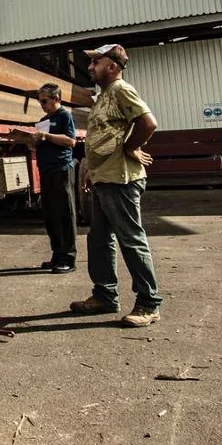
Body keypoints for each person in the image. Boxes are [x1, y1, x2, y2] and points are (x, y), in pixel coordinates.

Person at [69, 44, 163, 327]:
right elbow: (104, 136)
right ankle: (105, 296)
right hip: (103, 178)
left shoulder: (122, 90)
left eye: (95, 62)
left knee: (131, 240)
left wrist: (131, 147)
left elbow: (148, 123)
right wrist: (92, 170)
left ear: (112, 66)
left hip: (121, 180)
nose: (90, 67)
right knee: (98, 240)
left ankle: (149, 304)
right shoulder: (103, 96)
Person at [23, 83, 78, 273]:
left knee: (64, 214)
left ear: (56, 98)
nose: (42, 104)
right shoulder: (44, 119)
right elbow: (40, 144)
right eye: (40, 101)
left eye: (45, 101)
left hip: (61, 169)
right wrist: (32, 142)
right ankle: (57, 255)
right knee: (51, 215)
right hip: (45, 170)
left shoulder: (65, 116)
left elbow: (71, 141)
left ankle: (69, 259)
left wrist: (46, 136)